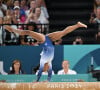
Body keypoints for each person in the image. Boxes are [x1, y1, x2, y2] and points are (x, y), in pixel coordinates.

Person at [4, 21, 87, 81]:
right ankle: (77, 25)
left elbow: (40, 72)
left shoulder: (43, 61)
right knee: (63, 32)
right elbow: (50, 73)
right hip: (49, 41)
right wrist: (47, 80)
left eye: (45, 68)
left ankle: (12, 30)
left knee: (28, 32)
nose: (46, 68)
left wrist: (36, 81)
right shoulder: (49, 62)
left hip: (44, 41)